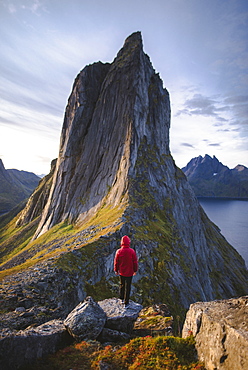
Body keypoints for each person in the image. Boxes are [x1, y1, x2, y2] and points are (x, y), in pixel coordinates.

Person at [114, 235, 138, 308]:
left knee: (122, 285)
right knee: (128, 287)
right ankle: (126, 302)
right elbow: (135, 262)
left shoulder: (119, 251)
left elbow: (116, 262)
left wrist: (116, 270)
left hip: (122, 272)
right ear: (129, 243)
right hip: (130, 272)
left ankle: (121, 298)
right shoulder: (132, 251)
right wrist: (135, 270)